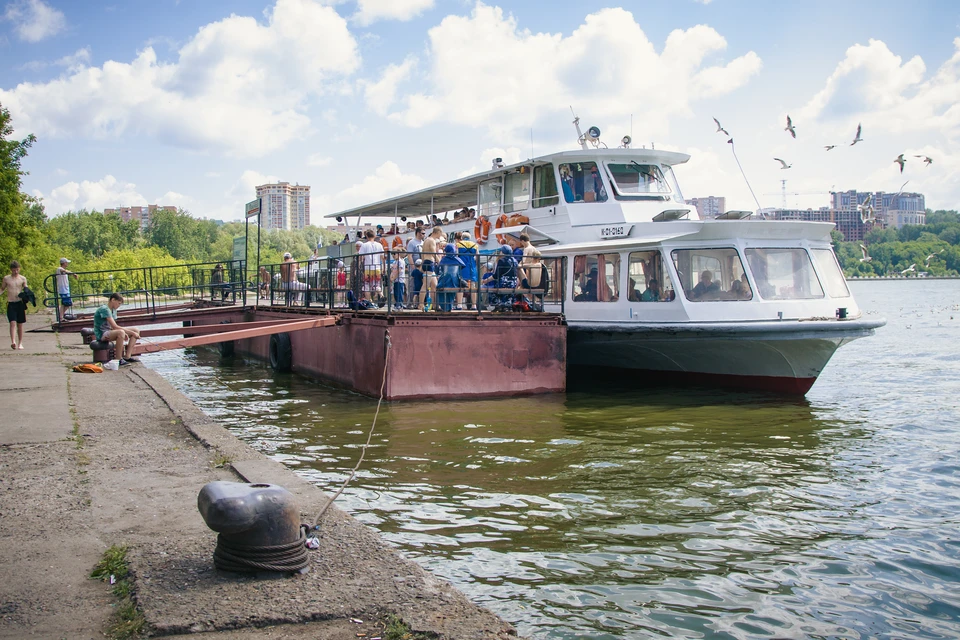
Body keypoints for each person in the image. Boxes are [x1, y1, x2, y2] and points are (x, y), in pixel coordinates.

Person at [94, 293, 140, 365]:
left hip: (109, 331)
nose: (119, 306)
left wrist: (131, 332)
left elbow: (113, 327)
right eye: (118, 303)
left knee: (136, 330)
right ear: (113, 300)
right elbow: (115, 326)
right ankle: (118, 359)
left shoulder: (113, 310)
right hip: (102, 334)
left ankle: (127, 356)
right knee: (121, 332)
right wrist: (131, 333)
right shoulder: (104, 309)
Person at [2, 260, 28, 350]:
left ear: (19, 269)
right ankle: (13, 342)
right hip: (11, 303)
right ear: (11, 270)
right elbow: (2, 288)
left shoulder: (22, 278)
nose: (15, 272)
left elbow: (26, 289)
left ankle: (20, 343)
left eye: (17, 270)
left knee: (20, 324)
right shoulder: (6, 279)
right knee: (12, 322)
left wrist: (28, 295)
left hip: (20, 303)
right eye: (13, 270)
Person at [436, 244, 465, 311]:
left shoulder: (444, 259)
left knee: (440, 291)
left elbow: (439, 268)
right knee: (451, 295)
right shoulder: (458, 259)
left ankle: (445, 307)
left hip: (444, 282)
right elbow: (463, 266)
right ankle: (449, 307)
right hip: (455, 282)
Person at [419, 227, 442, 309]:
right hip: (429, 263)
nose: (440, 235)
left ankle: (435, 304)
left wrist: (422, 263)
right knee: (425, 285)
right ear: (437, 232)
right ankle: (421, 304)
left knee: (435, 285)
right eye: (440, 233)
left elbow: (422, 253)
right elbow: (433, 252)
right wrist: (440, 262)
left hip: (426, 262)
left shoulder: (426, 240)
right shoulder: (432, 240)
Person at [358, 229, 384, 303]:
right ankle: (381, 295)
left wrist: (359, 266)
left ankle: (369, 302)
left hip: (368, 267)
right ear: (374, 236)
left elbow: (361, 257)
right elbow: (382, 257)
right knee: (376, 285)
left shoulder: (364, 245)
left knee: (367, 286)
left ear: (366, 236)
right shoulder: (379, 245)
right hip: (377, 267)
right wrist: (383, 268)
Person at [457, 231, 479, 309]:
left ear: (462, 238)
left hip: (462, 266)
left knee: (460, 285)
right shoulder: (475, 245)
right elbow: (477, 256)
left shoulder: (458, 244)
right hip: (471, 266)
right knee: (472, 286)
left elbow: (456, 255)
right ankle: (474, 305)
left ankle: (459, 304)